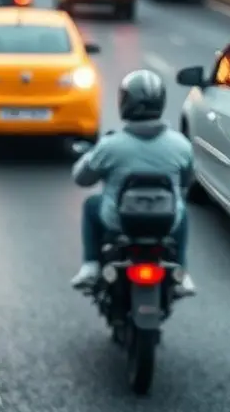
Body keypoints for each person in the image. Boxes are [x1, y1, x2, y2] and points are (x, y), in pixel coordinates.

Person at [70, 68, 196, 297]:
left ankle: (90, 266)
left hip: (117, 221)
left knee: (91, 205)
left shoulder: (111, 145)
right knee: (182, 210)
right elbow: (187, 181)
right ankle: (182, 270)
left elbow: (82, 178)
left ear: (124, 103)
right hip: (166, 222)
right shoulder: (181, 145)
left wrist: (93, 154)